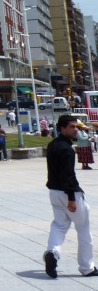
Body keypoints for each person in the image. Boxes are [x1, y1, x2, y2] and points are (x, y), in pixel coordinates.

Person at [43, 114, 98, 278]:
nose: (75, 130)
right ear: (62, 128)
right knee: (83, 229)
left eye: (76, 127)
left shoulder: (53, 145)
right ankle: (87, 267)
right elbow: (68, 176)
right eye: (72, 127)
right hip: (69, 194)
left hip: (54, 192)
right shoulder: (67, 149)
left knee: (59, 225)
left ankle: (52, 252)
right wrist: (72, 199)